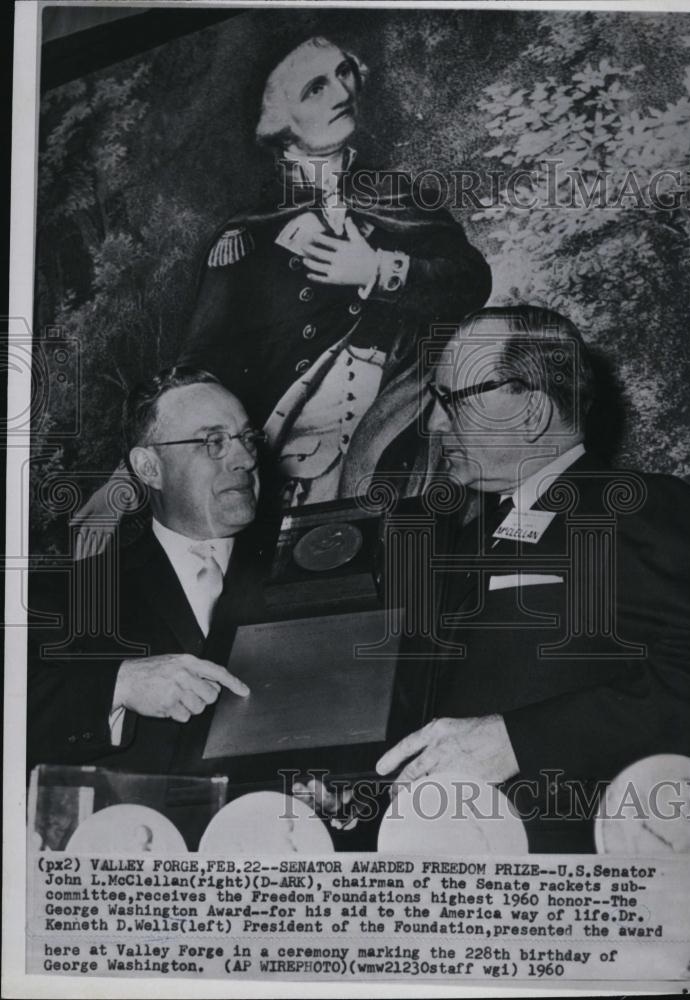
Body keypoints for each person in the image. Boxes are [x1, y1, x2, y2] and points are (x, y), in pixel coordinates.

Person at [377, 306, 690, 852]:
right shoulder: (455, 537)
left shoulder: (640, 509)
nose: (434, 426)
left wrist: (518, 740)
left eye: (449, 402)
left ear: (530, 408)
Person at [179, 34, 492, 507]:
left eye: (344, 72)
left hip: (410, 423)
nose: (343, 94)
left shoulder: (398, 193)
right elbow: (200, 366)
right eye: (316, 88)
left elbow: (470, 281)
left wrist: (378, 269)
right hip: (296, 453)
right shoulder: (247, 234)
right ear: (276, 119)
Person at [27, 367, 268, 776]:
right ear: (149, 467)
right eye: (213, 442)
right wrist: (119, 684)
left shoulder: (307, 572)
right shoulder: (71, 594)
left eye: (247, 438)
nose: (244, 458)